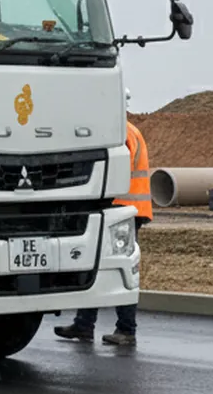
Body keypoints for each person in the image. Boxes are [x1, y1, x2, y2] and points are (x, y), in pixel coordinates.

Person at [56, 118, 152, 347]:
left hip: (122, 209)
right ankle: (84, 324)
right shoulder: (128, 130)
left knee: (121, 268)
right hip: (125, 209)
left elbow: (113, 172)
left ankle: (126, 329)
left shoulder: (120, 133)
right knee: (97, 267)